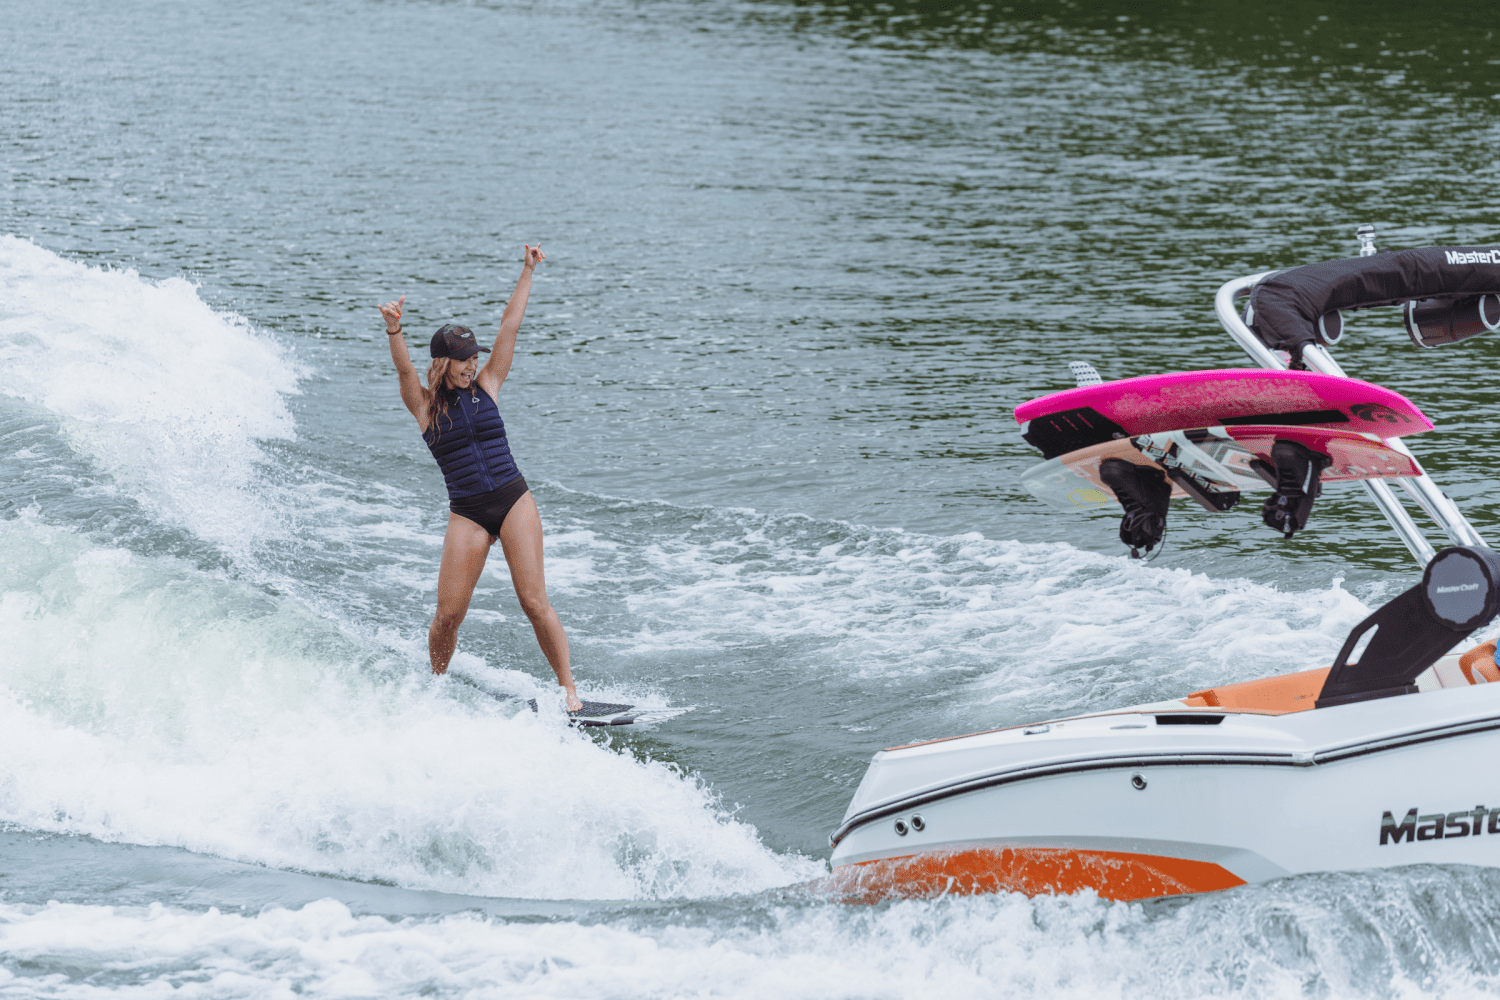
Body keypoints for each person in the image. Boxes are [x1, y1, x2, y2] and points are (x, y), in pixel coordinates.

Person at [378, 245, 582, 711]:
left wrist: (527, 270)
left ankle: (569, 689)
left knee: (534, 601)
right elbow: (404, 369)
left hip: (512, 500)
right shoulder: (425, 407)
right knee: (447, 615)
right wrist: (394, 329)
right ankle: (435, 688)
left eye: (475, 357)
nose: (473, 365)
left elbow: (510, 327)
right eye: (464, 360)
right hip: (467, 512)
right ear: (443, 363)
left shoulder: (488, 384)